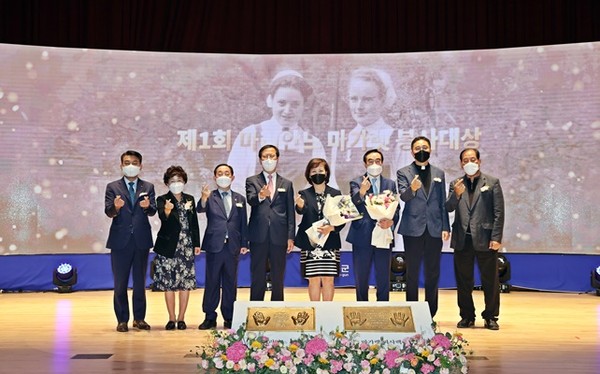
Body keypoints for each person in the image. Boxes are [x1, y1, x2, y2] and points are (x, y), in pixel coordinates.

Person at [227, 69, 328, 192]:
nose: (287, 110)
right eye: (282, 103)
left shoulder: (313, 144)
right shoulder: (250, 135)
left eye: (295, 104)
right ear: (270, 100)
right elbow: (235, 183)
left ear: (304, 105)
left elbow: (320, 187)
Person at [446, 148, 505, 330]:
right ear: (461, 163)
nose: (469, 162)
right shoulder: (456, 183)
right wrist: (455, 194)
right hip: (462, 239)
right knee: (464, 281)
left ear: (479, 161)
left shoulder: (492, 183)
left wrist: (496, 237)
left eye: (473, 159)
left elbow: (498, 212)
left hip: (486, 239)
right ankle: (467, 316)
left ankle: (490, 316)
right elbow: (448, 208)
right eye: (465, 160)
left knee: (490, 280)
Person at [397, 136, 450, 318]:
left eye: (425, 147)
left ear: (430, 150)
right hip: (412, 228)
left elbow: (442, 202)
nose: (421, 150)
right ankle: (412, 310)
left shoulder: (439, 173)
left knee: (432, 271)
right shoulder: (403, 172)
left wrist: (446, 226)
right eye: (418, 147)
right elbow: (404, 197)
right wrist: (412, 188)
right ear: (412, 151)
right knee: (412, 271)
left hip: (434, 228)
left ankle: (430, 313)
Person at [104, 150, 156, 332]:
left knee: (140, 282)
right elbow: (108, 211)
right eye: (127, 162)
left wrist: (148, 207)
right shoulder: (113, 187)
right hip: (120, 241)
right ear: (121, 166)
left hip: (141, 240)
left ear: (140, 166)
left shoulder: (148, 187)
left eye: (134, 162)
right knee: (120, 283)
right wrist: (115, 208)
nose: (131, 165)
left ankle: (139, 318)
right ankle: (122, 319)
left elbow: (153, 211)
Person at [197, 163, 249, 330]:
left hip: (232, 246)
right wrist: (204, 199)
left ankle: (229, 316)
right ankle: (210, 316)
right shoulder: (209, 196)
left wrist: (244, 243)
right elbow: (200, 208)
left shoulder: (240, 198)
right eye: (220, 173)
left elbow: (243, 223)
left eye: (226, 173)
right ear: (215, 177)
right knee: (212, 281)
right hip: (214, 245)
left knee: (230, 283)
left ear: (232, 177)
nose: (223, 176)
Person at [330, 67, 400, 188]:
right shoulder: (343, 141)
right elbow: (333, 186)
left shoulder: (396, 140)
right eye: (354, 99)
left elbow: (402, 188)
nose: (359, 107)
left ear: (382, 100)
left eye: (367, 99)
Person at [346, 149, 399, 301]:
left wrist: (391, 221)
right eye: (370, 161)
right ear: (365, 164)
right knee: (361, 277)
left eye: (377, 161)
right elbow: (353, 206)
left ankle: (383, 308)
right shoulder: (356, 182)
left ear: (382, 163)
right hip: (362, 235)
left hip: (384, 233)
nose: (374, 164)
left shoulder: (390, 183)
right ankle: (361, 309)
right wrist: (361, 192)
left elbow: (396, 208)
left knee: (383, 276)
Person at [152, 166, 201, 331]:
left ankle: (181, 318)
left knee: (185, 284)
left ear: (184, 182)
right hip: (168, 248)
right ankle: (171, 318)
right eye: (172, 181)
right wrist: (166, 211)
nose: (176, 183)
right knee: (169, 284)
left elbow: (194, 224)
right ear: (167, 183)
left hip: (186, 246)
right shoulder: (162, 199)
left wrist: (196, 244)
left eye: (179, 180)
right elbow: (162, 218)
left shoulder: (190, 199)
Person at [246, 144, 295, 301]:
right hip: (258, 235)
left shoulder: (286, 183)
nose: (269, 159)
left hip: (279, 235)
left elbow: (290, 212)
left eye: (272, 156)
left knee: (278, 275)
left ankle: (277, 310)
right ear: (260, 160)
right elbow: (251, 200)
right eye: (265, 157)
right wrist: (260, 196)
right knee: (257, 274)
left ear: (277, 159)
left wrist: (290, 237)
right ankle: (255, 309)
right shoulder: (252, 181)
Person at [294, 158, 345, 301]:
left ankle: (326, 315)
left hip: (330, 242)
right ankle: (316, 312)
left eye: (321, 171)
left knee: (329, 279)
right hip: (310, 243)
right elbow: (300, 212)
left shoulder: (336, 193)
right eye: (314, 171)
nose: (318, 174)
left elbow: (345, 217)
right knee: (313, 279)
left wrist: (332, 228)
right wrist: (299, 205)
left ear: (327, 173)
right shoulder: (303, 193)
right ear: (309, 175)